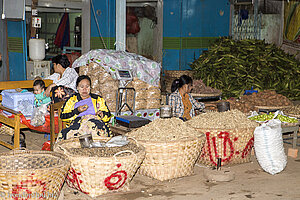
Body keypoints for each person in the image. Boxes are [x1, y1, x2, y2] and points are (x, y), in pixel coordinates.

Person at [56, 75, 113, 141]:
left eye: (87, 87)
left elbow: (108, 115)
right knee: (65, 134)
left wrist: (102, 114)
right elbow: (63, 116)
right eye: (82, 87)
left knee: (95, 128)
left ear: (90, 88)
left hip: (94, 122)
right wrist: (77, 111)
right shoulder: (72, 99)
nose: (84, 89)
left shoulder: (98, 99)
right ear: (77, 88)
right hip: (78, 123)